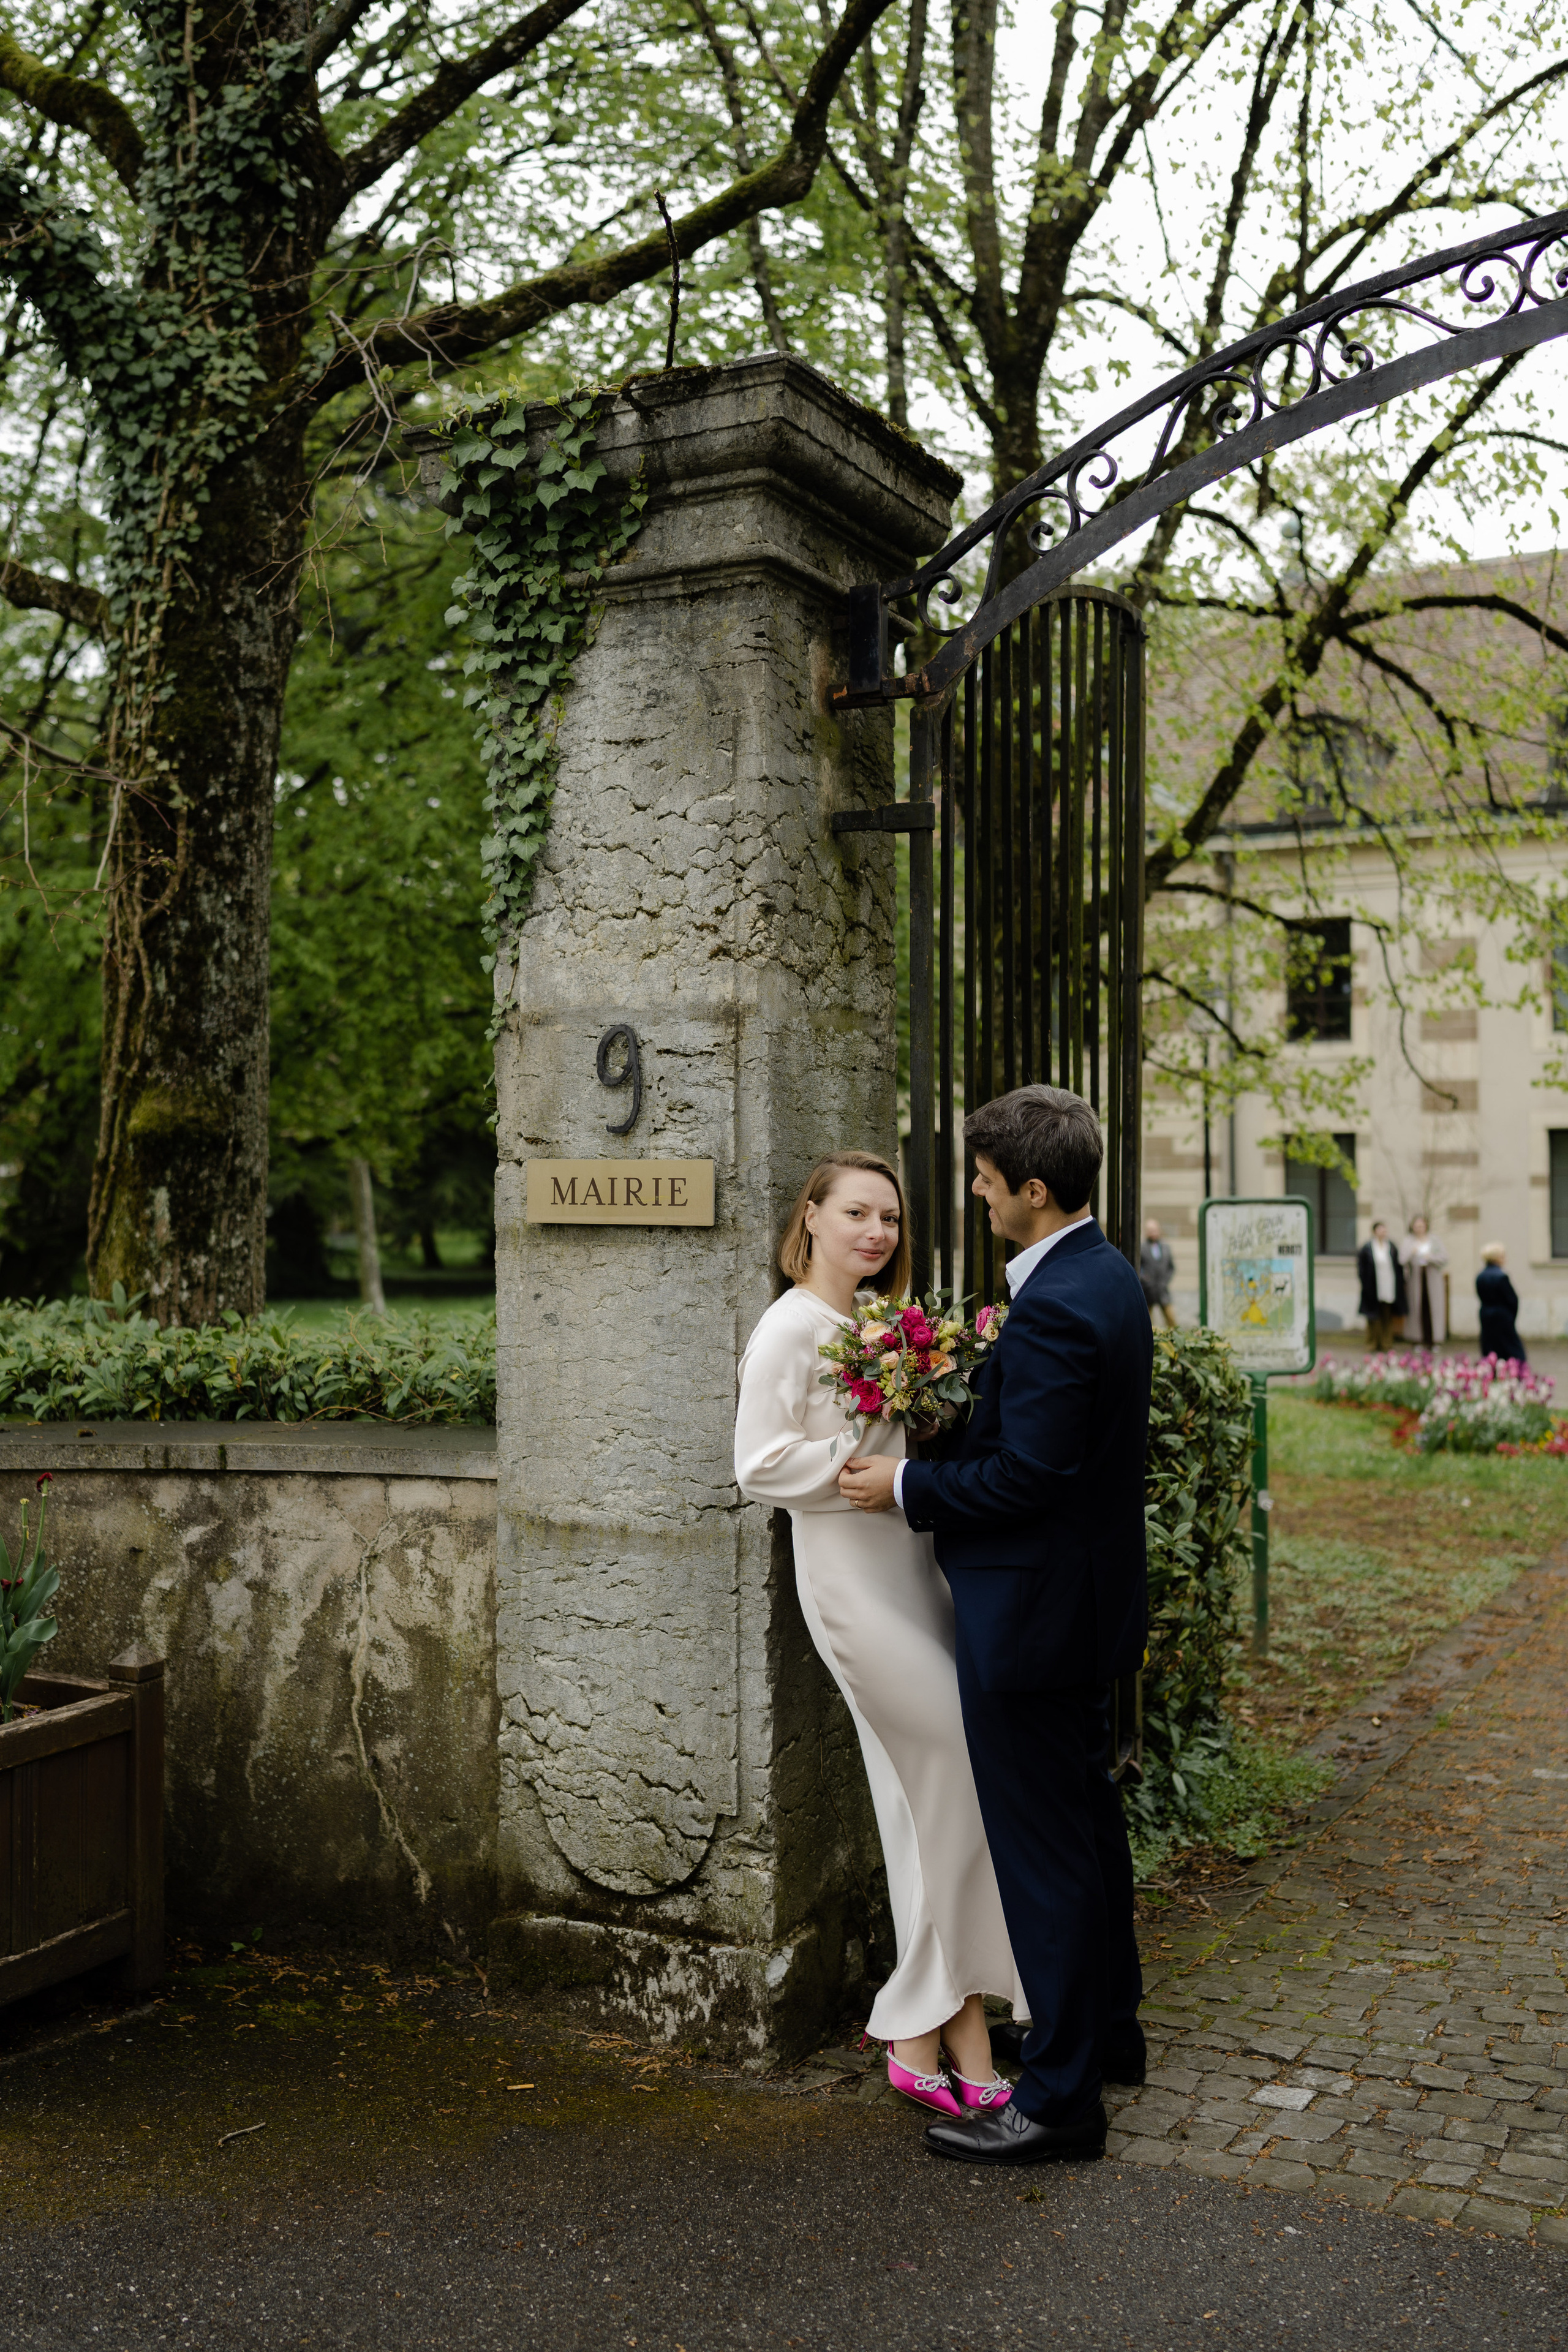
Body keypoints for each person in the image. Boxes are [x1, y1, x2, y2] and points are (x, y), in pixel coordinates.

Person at [840, 1085, 1152, 2169]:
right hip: (1082, 1606)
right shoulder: (1101, 1275)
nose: (971, 1194)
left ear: (1032, 1188)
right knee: (1088, 1827)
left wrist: (911, 1485)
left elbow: (1033, 1475)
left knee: (1045, 1855)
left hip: (1032, 1615)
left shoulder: (1062, 1299)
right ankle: (1107, 2033)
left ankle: (1061, 2101)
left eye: (983, 1179)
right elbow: (1047, 1444)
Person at [734, 1149, 1022, 2122]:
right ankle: (932, 2022)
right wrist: (854, 1457)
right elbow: (758, 1465)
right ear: (809, 1217)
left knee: (927, 1808)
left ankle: (942, 2029)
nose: (877, 1232)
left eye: (890, 1219)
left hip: (915, 1577)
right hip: (853, 1590)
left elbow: (906, 1451)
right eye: (857, 1213)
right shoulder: (789, 1327)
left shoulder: (874, 1326)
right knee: (956, 1783)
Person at [1357, 1219, 1407, 1352]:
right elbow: (1362, 1269)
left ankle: (1387, 1343)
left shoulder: (1391, 1247)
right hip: (1373, 1287)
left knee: (1387, 1315)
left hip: (1389, 1285)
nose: (1383, 1232)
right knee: (1373, 1317)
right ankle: (1372, 1343)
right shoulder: (1367, 1248)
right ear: (1374, 1232)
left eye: (1385, 1230)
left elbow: (1398, 1267)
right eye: (1380, 1230)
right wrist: (1366, 1285)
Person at [1400, 1213, 1449, 1348]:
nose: (1419, 1228)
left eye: (1421, 1226)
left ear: (1426, 1226)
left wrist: (1431, 1257)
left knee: (1433, 1308)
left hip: (1432, 1277)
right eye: (1417, 1226)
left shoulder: (1434, 1240)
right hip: (1416, 1278)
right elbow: (1402, 1260)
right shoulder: (1409, 1241)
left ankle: (1434, 1339)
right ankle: (1417, 1339)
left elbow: (1444, 1258)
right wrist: (1412, 1251)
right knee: (1417, 1307)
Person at [1476, 1242, 1525, 1365]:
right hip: (1502, 1316)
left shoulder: (1480, 1276)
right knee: (1512, 1348)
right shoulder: (1501, 1277)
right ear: (1498, 1258)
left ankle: (1491, 1371)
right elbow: (1513, 1300)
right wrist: (1510, 1316)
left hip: (1486, 1314)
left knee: (1490, 1347)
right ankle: (1518, 1372)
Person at [1139, 1218, 1177, 1329]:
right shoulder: (1142, 1248)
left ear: (1159, 1231)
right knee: (1147, 1322)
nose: (1153, 1233)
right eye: (1150, 1231)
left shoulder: (1166, 1248)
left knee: (1171, 1320)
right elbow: (1138, 1267)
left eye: (1155, 1230)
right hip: (1148, 1291)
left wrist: (1165, 1281)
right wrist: (1145, 1279)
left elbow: (1171, 1267)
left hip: (1163, 1290)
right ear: (1146, 1232)